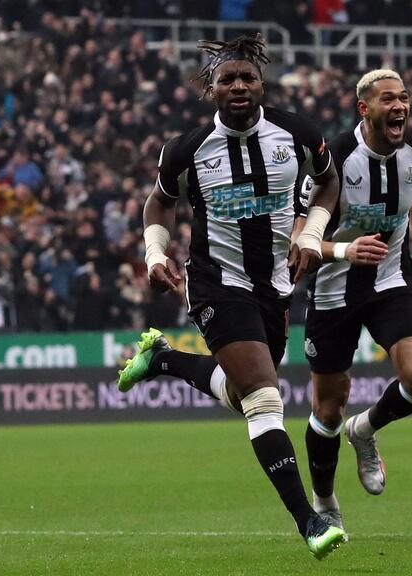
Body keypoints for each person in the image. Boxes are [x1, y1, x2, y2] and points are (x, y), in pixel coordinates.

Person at [115, 36, 347, 559]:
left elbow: (329, 183)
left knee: (245, 395)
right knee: (265, 398)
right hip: (217, 281)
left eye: (247, 78)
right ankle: (308, 521)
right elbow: (159, 204)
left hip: (275, 285)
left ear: (261, 84)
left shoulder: (297, 134)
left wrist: (312, 234)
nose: (239, 86)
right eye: (228, 79)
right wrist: (155, 254)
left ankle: (165, 360)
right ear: (210, 89)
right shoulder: (186, 149)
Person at [300, 69, 412, 531]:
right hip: (333, 287)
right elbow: (298, 235)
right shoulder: (335, 158)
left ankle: (365, 430)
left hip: (390, 279)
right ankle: (324, 499)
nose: (399, 105)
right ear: (365, 108)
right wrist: (343, 249)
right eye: (388, 99)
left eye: (404, 97)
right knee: (327, 407)